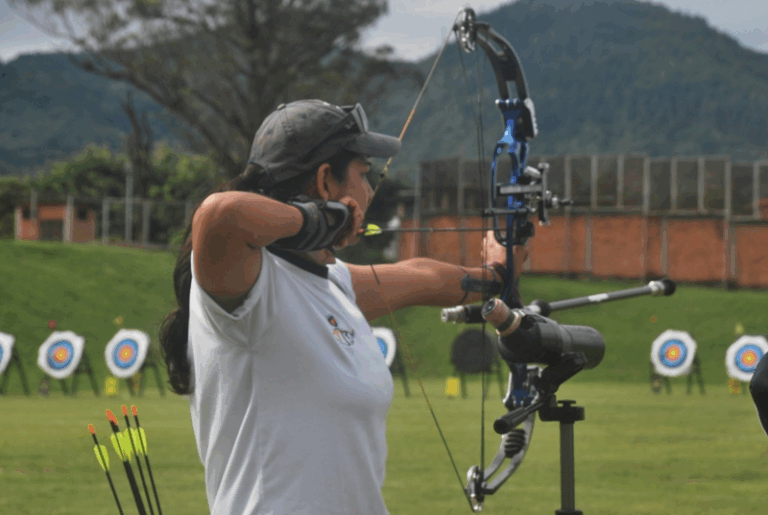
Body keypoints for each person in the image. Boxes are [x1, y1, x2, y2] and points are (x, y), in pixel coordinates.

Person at [159, 99, 528, 515]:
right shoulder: (250, 288)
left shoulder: (335, 283)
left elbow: (422, 277)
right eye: (363, 174)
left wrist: (497, 273)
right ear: (325, 181)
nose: (370, 190)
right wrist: (320, 220)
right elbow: (220, 214)